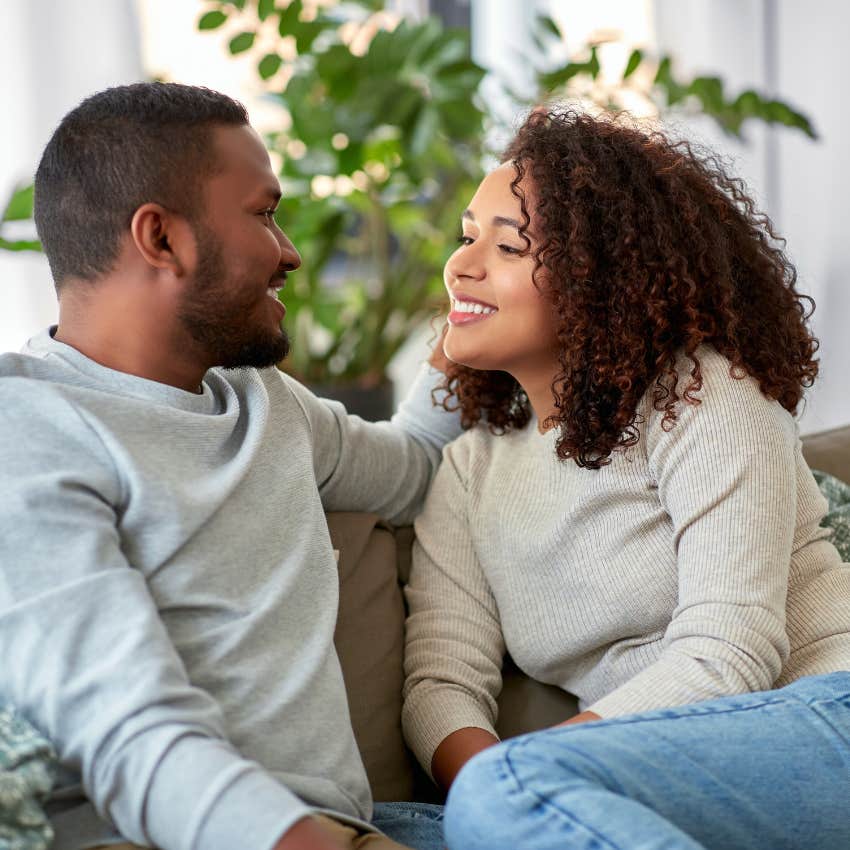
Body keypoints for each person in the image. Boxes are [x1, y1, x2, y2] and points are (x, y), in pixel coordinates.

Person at [0, 82, 459, 850]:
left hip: (363, 828)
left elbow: (415, 469)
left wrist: (470, 333)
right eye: (264, 213)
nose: (292, 252)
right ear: (162, 239)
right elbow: (131, 738)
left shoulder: (266, 404)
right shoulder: (29, 429)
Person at [401, 107, 850, 850]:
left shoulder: (704, 396)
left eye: (508, 246)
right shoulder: (469, 469)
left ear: (597, 278)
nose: (461, 266)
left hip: (823, 715)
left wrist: (522, 777)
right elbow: (442, 683)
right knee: (389, 829)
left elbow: (729, 653)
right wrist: (492, 787)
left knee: (503, 795)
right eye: (465, 236)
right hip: (661, 770)